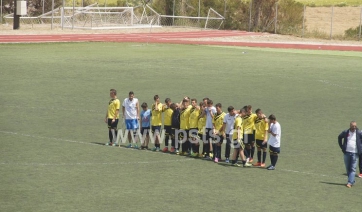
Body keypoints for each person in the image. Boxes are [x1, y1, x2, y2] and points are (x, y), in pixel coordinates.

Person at [338, 121, 362, 188]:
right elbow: (339, 137)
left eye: (355, 126)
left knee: (353, 168)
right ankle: (352, 180)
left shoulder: (359, 133)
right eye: (353, 126)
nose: (354, 127)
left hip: (355, 153)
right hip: (347, 153)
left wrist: (360, 148)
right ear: (350, 126)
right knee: (348, 168)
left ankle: (349, 182)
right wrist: (342, 147)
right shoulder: (346, 132)